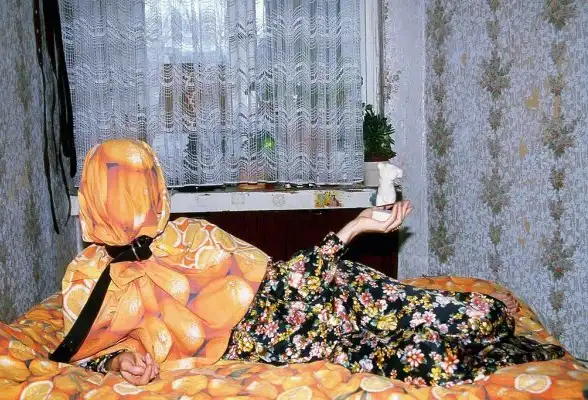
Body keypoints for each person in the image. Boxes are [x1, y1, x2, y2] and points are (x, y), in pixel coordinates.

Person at [62, 139, 564, 387]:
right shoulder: (86, 278)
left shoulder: (189, 233)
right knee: (434, 362)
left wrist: (355, 228)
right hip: (297, 342)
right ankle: (528, 353)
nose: (138, 201)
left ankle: (496, 326)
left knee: (483, 315)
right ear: (96, 196)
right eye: (122, 189)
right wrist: (120, 362)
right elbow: (88, 349)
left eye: (144, 184)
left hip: (328, 289)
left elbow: (280, 281)